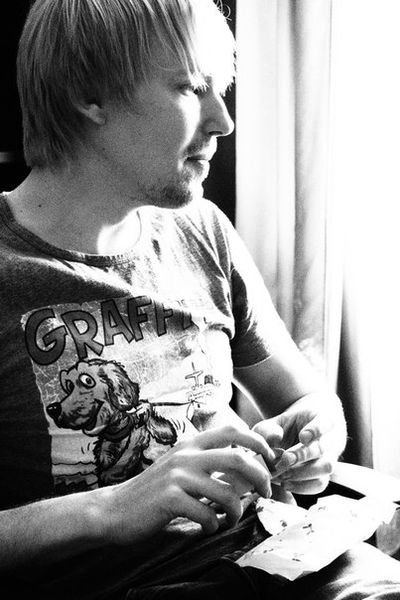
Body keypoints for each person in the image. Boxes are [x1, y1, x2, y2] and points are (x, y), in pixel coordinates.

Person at [0, 1, 399, 598]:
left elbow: (306, 399)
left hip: (281, 560)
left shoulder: (203, 230)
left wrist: (317, 435)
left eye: (223, 89)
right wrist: (111, 508)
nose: (224, 121)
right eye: (193, 87)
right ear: (90, 96)